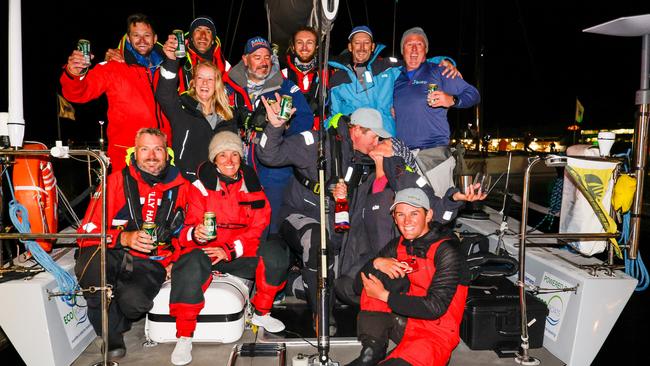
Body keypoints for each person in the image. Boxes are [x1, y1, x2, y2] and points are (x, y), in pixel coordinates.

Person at [256, 104, 479, 329]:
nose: (377, 143)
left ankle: (294, 283)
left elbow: (431, 209)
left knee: (337, 279)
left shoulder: (378, 162)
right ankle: (321, 316)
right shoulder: (317, 144)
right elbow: (268, 154)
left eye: (382, 139)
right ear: (356, 130)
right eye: (374, 137)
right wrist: (275, 126)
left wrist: (455, 198)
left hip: (341, 226)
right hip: (301, 214)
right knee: (317, 243)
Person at [169, 131, 289, 365]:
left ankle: (262, 314)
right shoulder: (198, 187)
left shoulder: (253, 186)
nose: (230, 161)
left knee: (276, 254)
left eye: (234, 154)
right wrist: (197, 234)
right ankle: (184, 335)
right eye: (222, 155)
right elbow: (182, 232)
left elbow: (258, 229)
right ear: (214, 159)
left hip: (236, 252)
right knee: (189, 265)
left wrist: (230, 250)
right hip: (204, 252)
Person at [74, 128, 190, 360]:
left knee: (134, 305)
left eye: (158, 149)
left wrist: (175, 263)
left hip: (151, 260)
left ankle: (119, 310)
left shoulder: (182, 186)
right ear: (135, 154)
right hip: (110, 250)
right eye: (144, 149)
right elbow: (86, 232)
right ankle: (110, 333)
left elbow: (188, 232)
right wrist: (123, 238)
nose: (151, 156)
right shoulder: (116, 181)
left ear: (167, 154)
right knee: (93, 274)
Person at [347, 187, 470, 366]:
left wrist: (384, 295)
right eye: (400, 215)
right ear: (394, 218)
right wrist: (377, 262)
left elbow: (435, 308)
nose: (406, 221)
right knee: (375, 277)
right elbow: (358, 287)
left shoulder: (447, 251)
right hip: (408, 323)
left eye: (414, 213)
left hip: (436, 334)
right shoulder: (399, 245)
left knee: (379, 290)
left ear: (428, 216)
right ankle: (371, 352)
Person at [61, 14, 171, 172]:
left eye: (146, 35)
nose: (142, 40)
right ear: (128, 38)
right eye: (136, 35)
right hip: (126, 158)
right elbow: (79, 93)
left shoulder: (169, 67)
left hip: (163, 156)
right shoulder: (113, 67)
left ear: (155, 38)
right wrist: (75, 73)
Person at [228, 36, 314, 233]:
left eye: (267, 57)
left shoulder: (285, 86)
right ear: (245, 59)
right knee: (239, 216)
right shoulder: (230, 86)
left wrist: (282, 129)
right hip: (239, 160)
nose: (264, 62)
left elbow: (305, 119)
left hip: (274, 163)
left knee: (272, 218)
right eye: (257, 57)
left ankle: (273, 251)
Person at [393, 27, 481, 195]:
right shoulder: (397, 80)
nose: (413, 49)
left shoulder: (439, 71)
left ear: (425, 50)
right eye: (409, 44)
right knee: (412, 210)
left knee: (439, 210)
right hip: (405, 157)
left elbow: (473, 94)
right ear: (402, 51)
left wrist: (452, 100)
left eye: (419, 44)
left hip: (434, 156)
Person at [328, 26, 459, 137]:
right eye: (357, 43)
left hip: (387, 136)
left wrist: (444, 62)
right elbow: (333, 117)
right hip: (356, 141)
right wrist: (343, 126)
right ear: (350, 47)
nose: (362, 48)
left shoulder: (388, 68)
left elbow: (416, 63)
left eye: (366, 43)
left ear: (372, 46)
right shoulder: (337, 79)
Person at [156, 33, 247, 182]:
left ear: (217, 84)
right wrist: (171, 61)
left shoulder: (228, 116)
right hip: (187, 183)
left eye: (210, 79)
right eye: (200, 78)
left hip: (219, 186)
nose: (204, 83)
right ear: (194, 82)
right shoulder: (182, 108)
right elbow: (164, 94)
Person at [281, 26, 322, 115]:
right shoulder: (282, 75)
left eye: (309, 43)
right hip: (291, 127)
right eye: (299, 42)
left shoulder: (326, 74)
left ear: (317, 47)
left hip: (320, 127)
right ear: (293, 47)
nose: (304, 47)